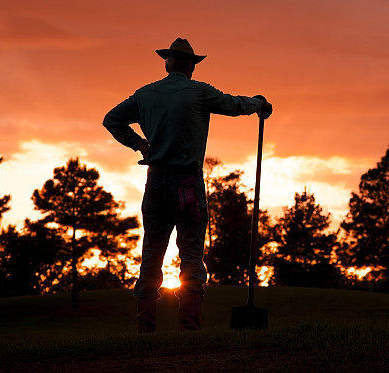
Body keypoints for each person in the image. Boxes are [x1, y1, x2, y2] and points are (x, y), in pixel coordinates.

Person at [103, 38, 272, 333]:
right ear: (191, 66)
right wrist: (258, 104)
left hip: (155, 181)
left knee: (152, 252)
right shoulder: (199, 92)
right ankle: (188, 326)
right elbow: (234, 105)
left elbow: (111, 120)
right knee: (191, 252)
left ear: (167, 63)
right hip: (187, 184)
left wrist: (140, 144)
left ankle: (146, 327)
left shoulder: (145, 94)